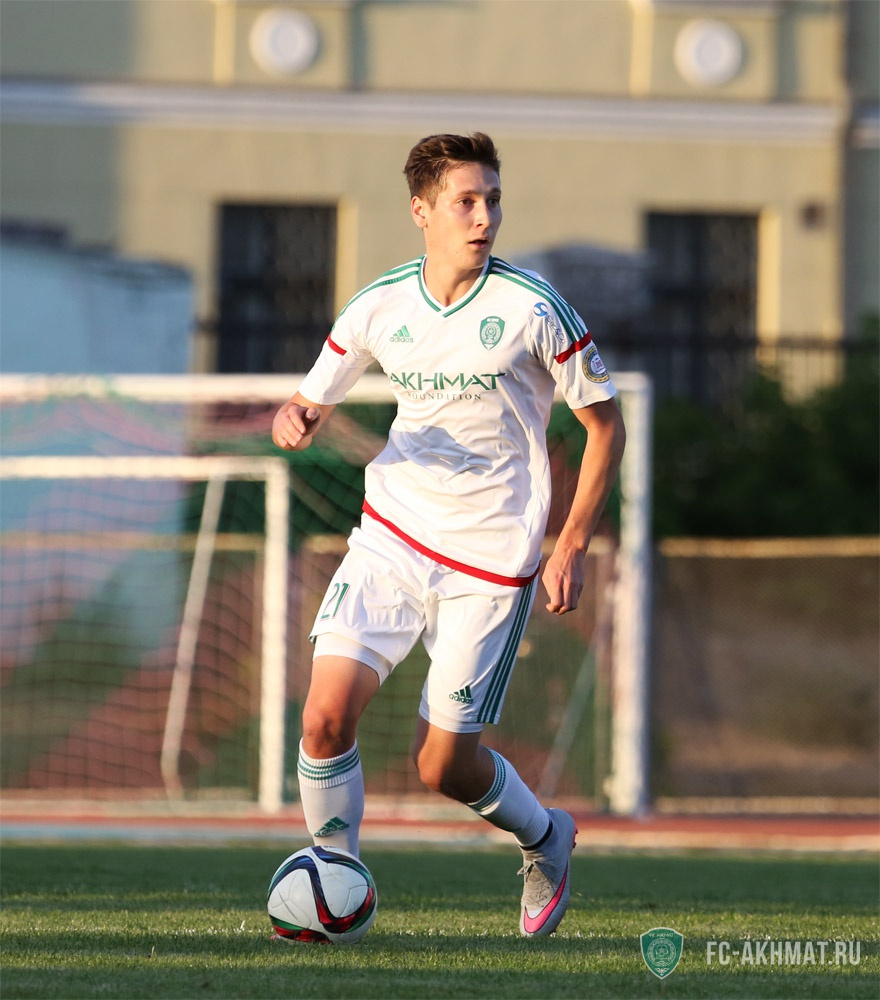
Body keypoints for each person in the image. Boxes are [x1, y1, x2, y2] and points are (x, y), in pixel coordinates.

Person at [272, 132, 625, 938]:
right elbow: (306, 402)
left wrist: (570, 543)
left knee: (442, 766)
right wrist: (295, 417)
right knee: (324, 719)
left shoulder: (534, 309)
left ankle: (545, 836)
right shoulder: (379, 306)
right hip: (392, 538)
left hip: (490, 564)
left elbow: (606, 429)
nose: (484, 217)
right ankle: (338, 883)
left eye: (492, 199)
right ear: (421, 211)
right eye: (466, 201)